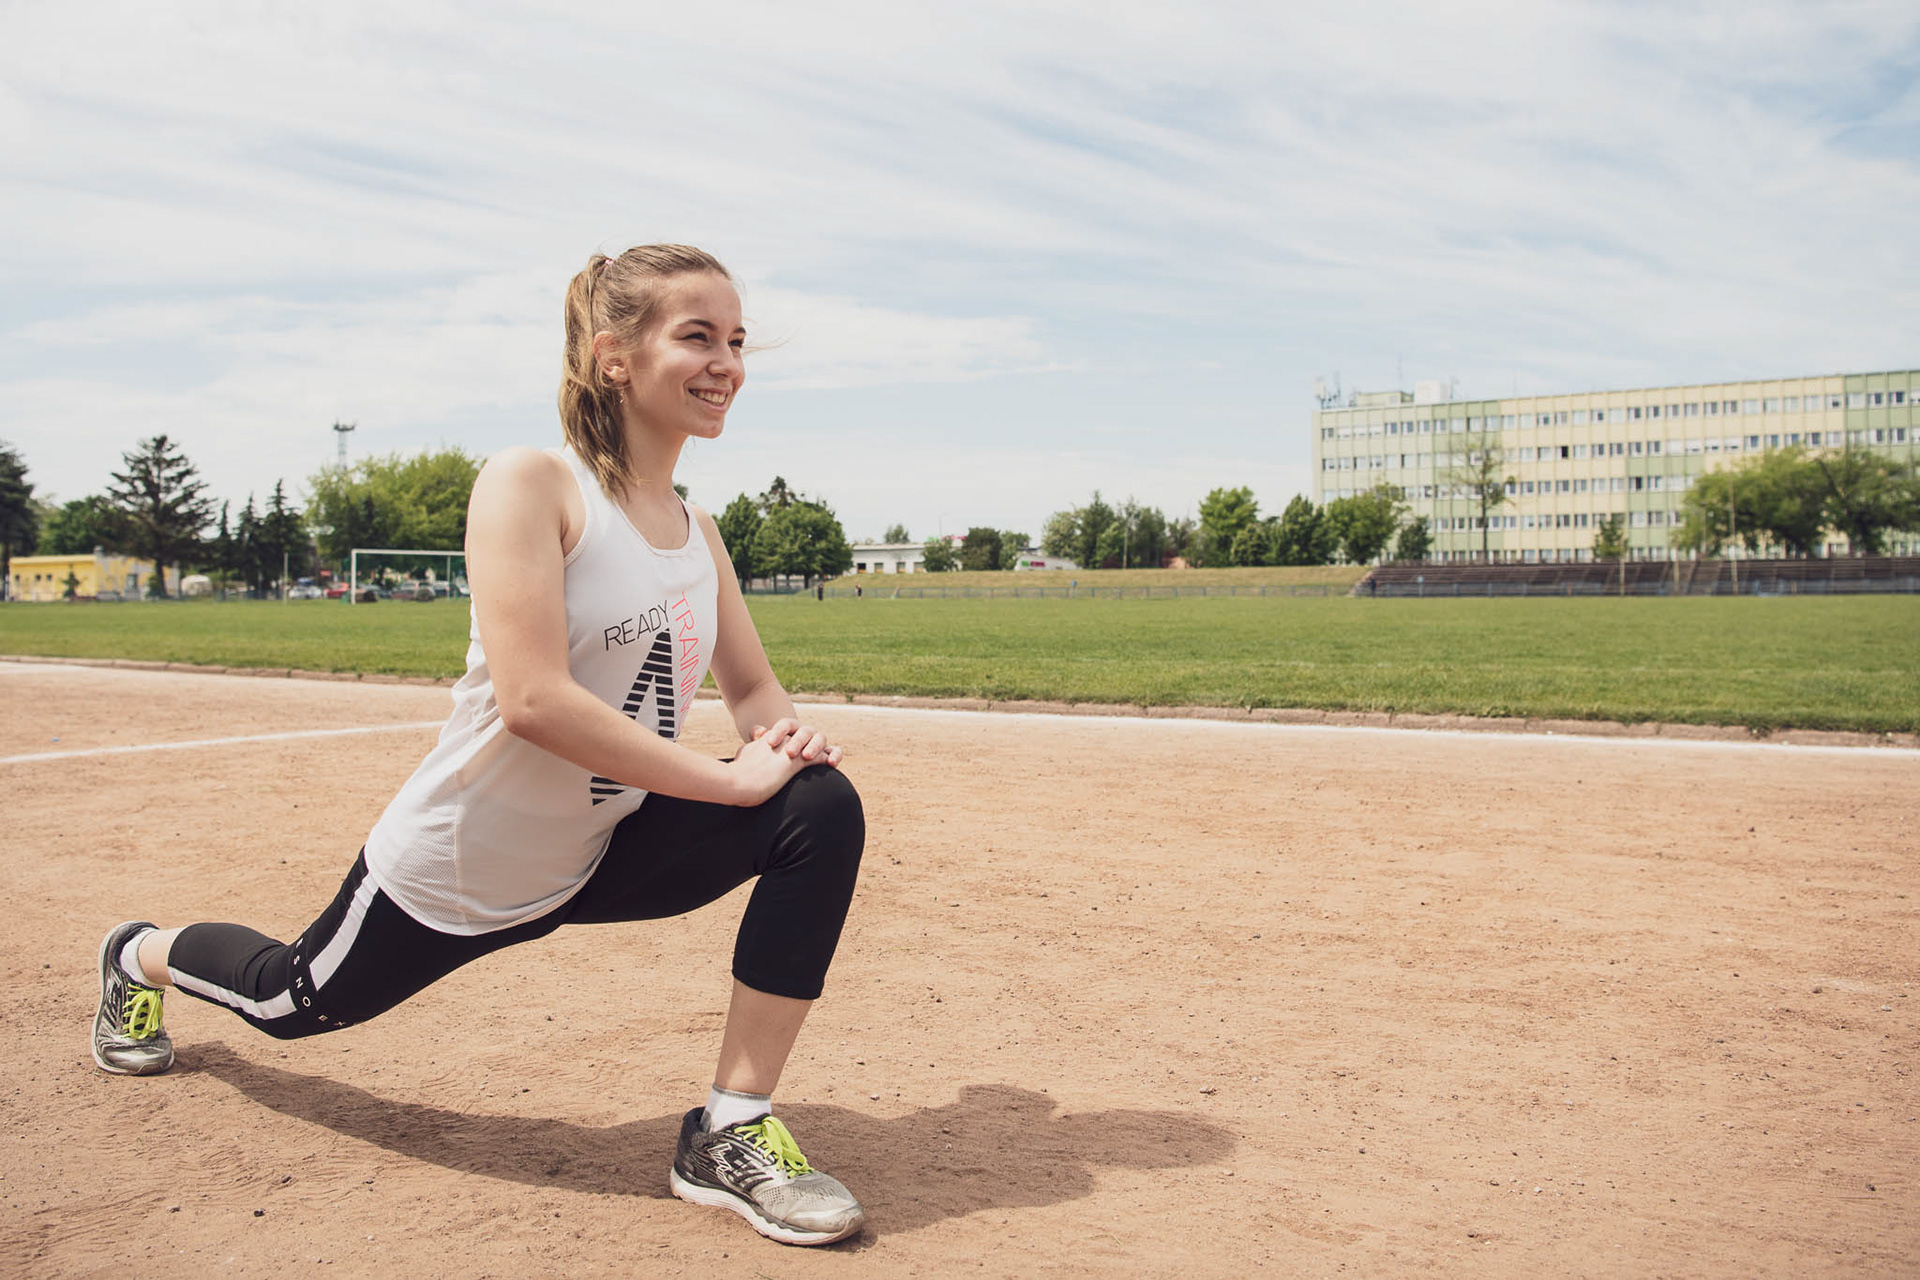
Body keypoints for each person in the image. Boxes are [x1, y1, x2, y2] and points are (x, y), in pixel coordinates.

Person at [88, 245, 869, 1247]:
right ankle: (138, 954)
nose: (725, 362)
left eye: (736, 341)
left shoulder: (696, 529)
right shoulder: (532, 483)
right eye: (697, 336)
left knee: (816, 805)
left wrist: (781, 742)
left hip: (599, 851)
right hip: (460, 869)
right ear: (615, 357)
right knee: (292, 996)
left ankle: (731, 1128)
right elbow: (534, 698)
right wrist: (726, 783)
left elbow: (752, 687)